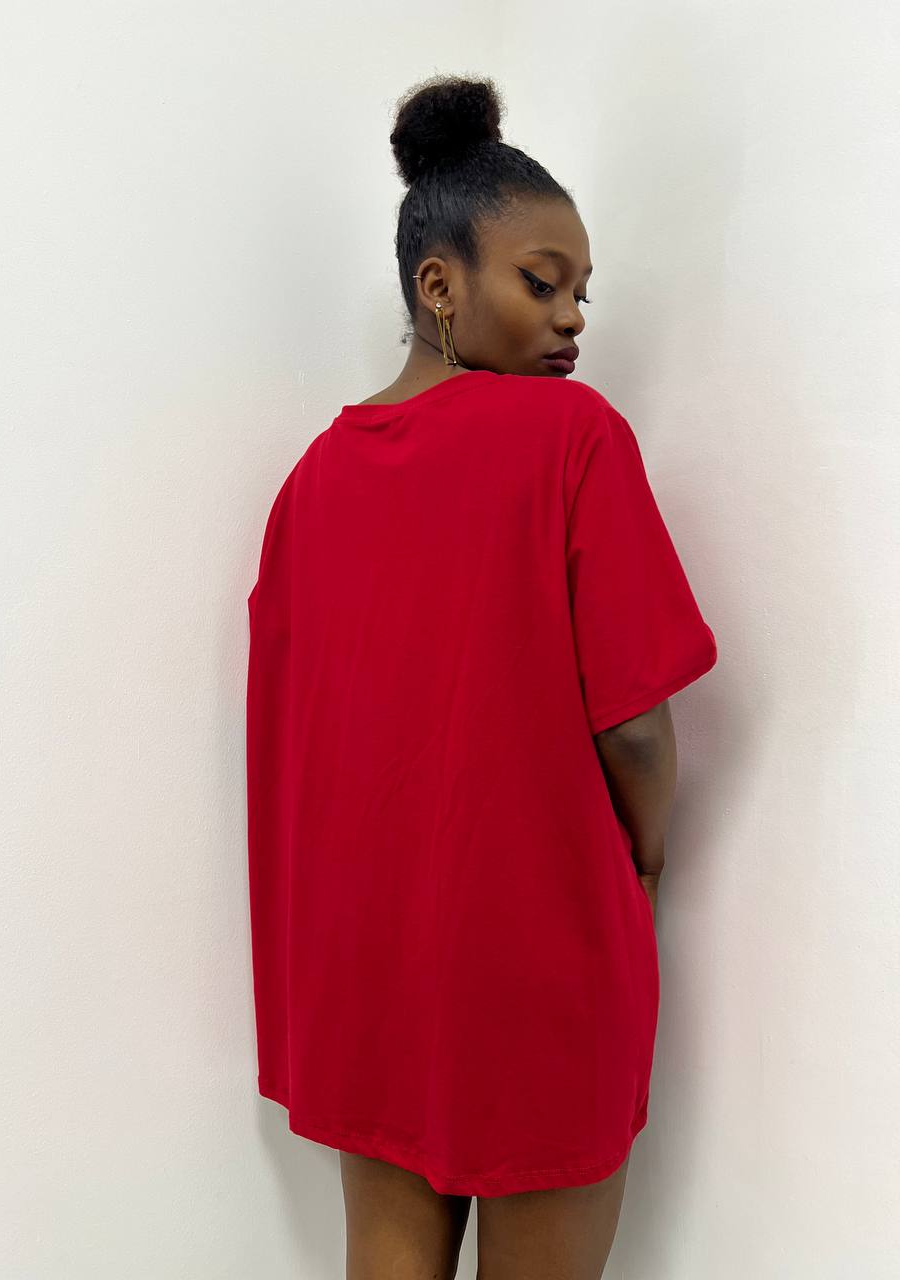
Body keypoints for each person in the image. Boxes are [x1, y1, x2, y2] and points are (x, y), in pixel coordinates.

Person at [245, 73, 718, 1280]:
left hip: (366, 960)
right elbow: (637, 726)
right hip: (536, 945)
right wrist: (647, 853)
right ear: (438, 284)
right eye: (541, 281)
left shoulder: (311, 483)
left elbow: (299, 740)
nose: (571, 318)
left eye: (581, 293)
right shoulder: (570, 436)